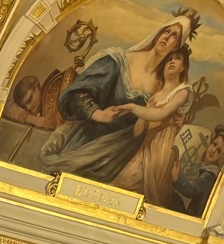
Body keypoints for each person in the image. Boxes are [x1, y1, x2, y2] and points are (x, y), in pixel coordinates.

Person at [38, 15, 196, 187]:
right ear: (158, 33)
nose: (167, 37)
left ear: (177, 46)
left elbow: (151, 122)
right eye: (166, 31)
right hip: (88, 140)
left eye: (174, 36)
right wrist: (98, 113)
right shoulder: (119, 60)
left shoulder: (162, 85)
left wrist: (170, 121)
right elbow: (76, 94)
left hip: (123, 152)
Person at [111, 47, 193, 208]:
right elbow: (137, 132)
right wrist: (144, 113)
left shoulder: (183, 92)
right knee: (123, 182)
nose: (171, 62)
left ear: (183, 67)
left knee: (151, 197)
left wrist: (134, 108)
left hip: (163, 147)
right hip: (146, 147)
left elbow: (161, 114)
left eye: (177, 58)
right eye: (169, 59)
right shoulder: (155, 97)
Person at [173, 123, 224, 214]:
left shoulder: (209, 175)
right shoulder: (203, 166)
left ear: (221, 157)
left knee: (171, 198)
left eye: (219, 151)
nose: (213, 150)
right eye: (214, 144)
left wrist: (177, 179)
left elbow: (194, 189)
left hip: (193, 216)